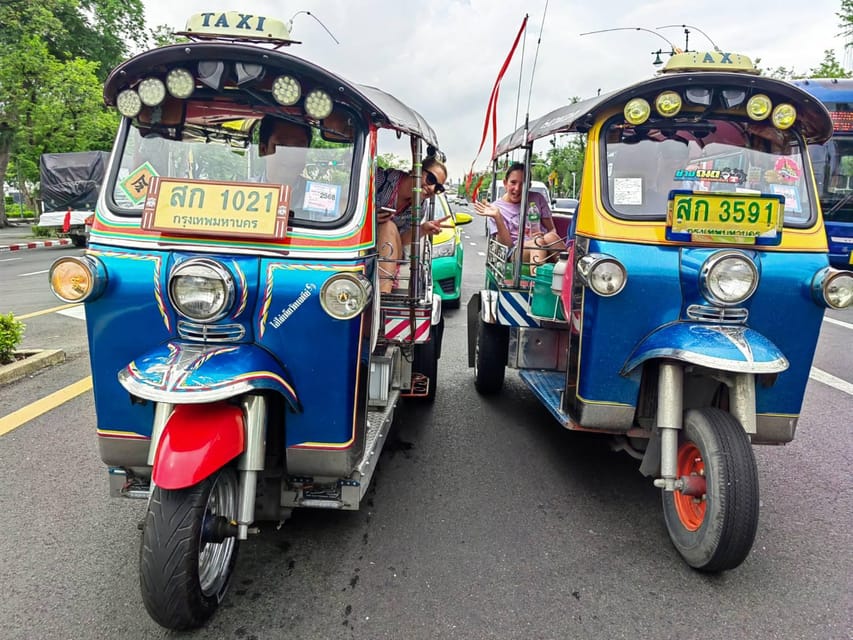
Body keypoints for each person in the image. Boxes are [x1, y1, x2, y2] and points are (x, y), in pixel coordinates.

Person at [473, 162, 566, 271]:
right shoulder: (495, 208)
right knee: (537, 244)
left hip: (542, 240)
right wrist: (498, 217)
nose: (517, 188)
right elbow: (507, 246)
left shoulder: (538, 198)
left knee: (550, 237)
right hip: (516, 251)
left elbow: (552, 230)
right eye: (513, 183)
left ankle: (570, 276)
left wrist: (543, 237)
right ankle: (536, 285)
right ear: (505, 183)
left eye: (523, 184)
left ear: (529, 186)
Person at [376, 156, 451, 293]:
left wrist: (422, 229)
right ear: (416, 171)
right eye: (431, 180)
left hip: (389, 252)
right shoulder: (382, 179)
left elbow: (401, 239)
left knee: (388, 226)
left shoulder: (420, 206)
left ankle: (384, 294)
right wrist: (371, 216)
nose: (432, 188)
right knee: (388, 225)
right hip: (360, 242)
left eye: (438, 188)